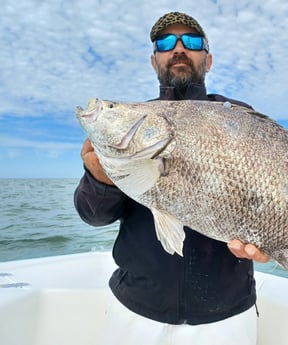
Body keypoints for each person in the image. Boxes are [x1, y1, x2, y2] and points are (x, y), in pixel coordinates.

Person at [74, 11, 269, 344]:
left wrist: (271, 244)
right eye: (165, 42)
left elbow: (271, 196)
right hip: (136, 310)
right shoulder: (136, 125)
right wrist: (99, 179)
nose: (178, 48)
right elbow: (93, 217)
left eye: (191, 41)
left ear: (207, 60)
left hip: (227, 316)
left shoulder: (239, 118)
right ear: (154, 61)